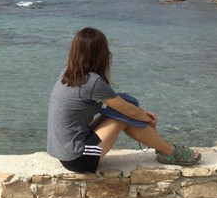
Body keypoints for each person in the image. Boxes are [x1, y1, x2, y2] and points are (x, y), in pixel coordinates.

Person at [47, 27, 200, 173]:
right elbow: (130, 112)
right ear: (101, 53)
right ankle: (169, 151)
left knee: (126, 102)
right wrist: (149, 119)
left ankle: (164, 148)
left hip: (65, 151)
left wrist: (141, 114)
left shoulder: (68, 72)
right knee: (125, 115)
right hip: (79, 158)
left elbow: (124, 105)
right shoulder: (92, 82)